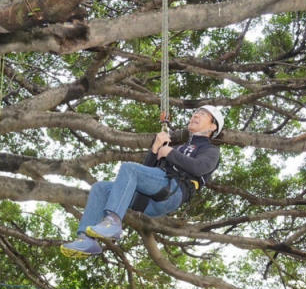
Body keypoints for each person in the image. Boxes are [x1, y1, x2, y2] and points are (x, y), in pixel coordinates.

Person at [61, 106, 224, 257]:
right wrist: (155, 149)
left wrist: (169, 153)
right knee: (100, 188)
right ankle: (86, 240)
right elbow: (145, 171)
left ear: (212, 126)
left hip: (173, 190)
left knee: (130, 168)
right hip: (151, 198)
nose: (195, 115)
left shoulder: (210, 150)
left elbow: (200, 167)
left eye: (202, 114)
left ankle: (113, 222)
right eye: (195, 112)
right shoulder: (179, 147)